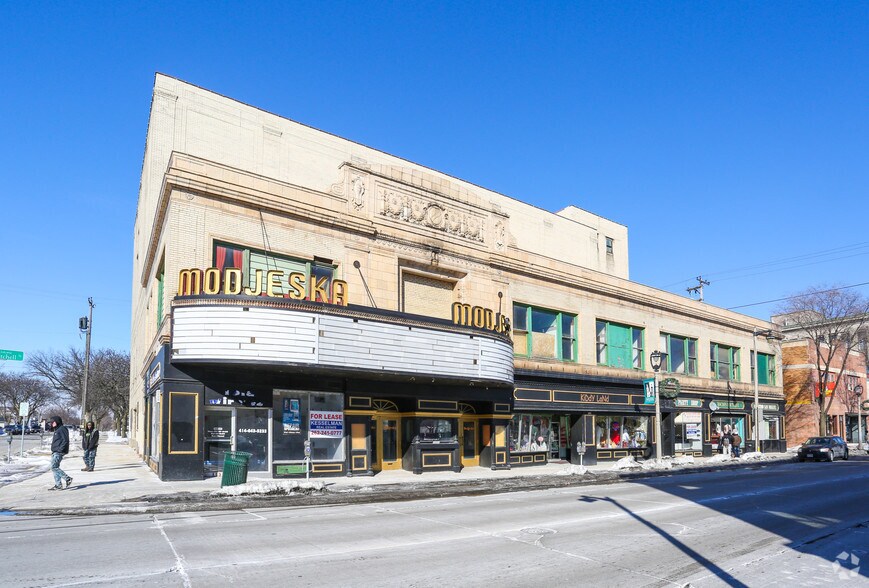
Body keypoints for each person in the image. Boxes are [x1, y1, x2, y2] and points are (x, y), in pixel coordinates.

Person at [48, 416, 72, 490]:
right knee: (55, 468)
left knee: (53, 467)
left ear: (57, 422)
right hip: (55, 451)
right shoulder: (57, 429)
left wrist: (60, 450)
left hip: (59, 452)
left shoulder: (62, 429)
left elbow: (65, 440)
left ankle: (67, 478)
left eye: (52, 422)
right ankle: (58, 485)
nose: (51, 424)